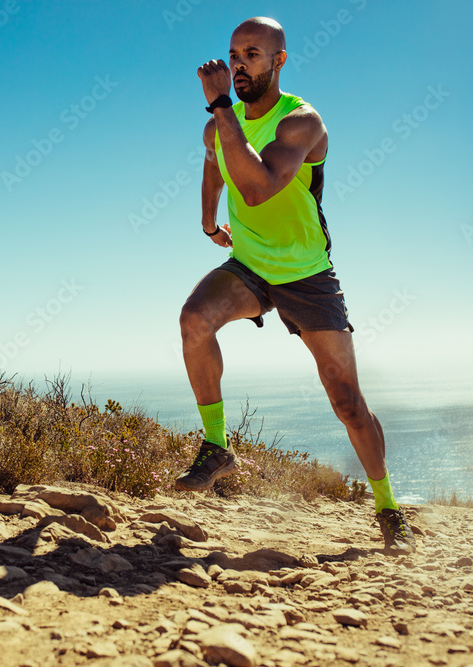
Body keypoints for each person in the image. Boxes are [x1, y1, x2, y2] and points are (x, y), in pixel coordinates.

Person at [174, 16, 415, 553]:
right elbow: (217, 162)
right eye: (234, 54)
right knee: (195, 319)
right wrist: (209, 222)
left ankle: (389, 507)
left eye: (253, 54)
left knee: (348, 402)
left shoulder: (301, 123)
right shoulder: (221, 125)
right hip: (250, 265)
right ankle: (216, 446)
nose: (238, 64)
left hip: (307, 274)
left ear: (279, 61)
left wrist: (217, 108)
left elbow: (257, 187)